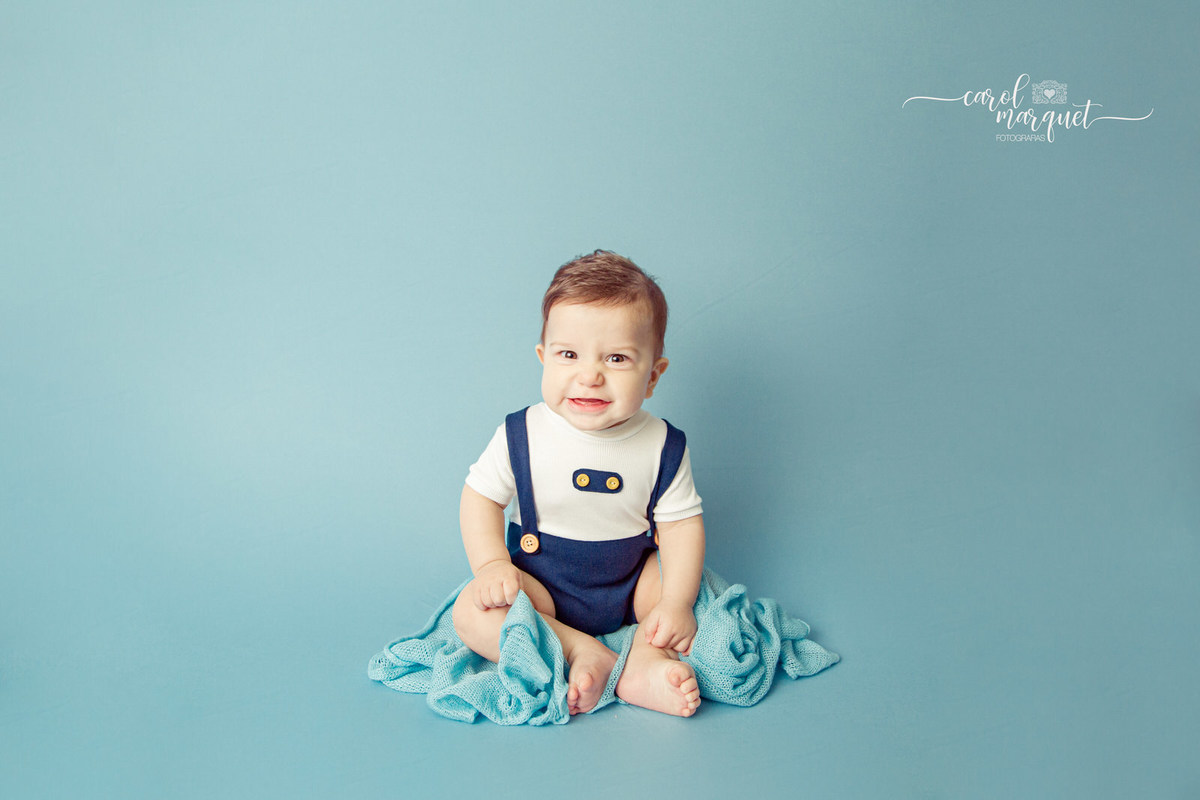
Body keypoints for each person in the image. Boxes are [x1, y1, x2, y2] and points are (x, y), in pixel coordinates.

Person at [451, 250, 705, 717]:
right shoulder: (521, 434)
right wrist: (490, 565)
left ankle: (642, 662)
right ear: (543, 358)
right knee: (472, 612)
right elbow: (480, 498)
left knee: (686, 593)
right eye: (569, 354)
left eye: (617, 358)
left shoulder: (662, 444)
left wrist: (675, 602)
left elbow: (681, 527)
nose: (589, 375)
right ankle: (577, 649)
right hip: (543, 584)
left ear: (653, 374)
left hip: (630, 583)